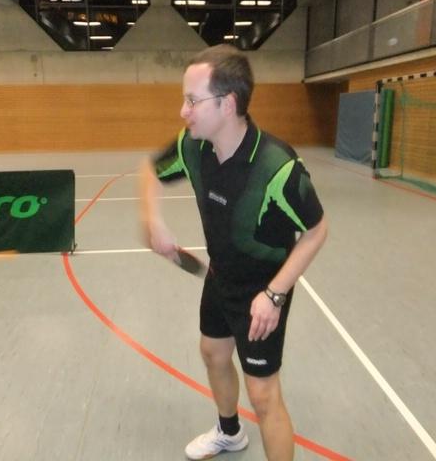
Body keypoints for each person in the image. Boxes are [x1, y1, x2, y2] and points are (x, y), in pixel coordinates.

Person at [140, 44, 328, 460]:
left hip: (264, 289)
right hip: (220, 275)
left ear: (227, 104)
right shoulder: (193, 147)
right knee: (213, 353)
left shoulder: (277, 166)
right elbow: (151, 170)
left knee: (263, 394)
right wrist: (153, 221)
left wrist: (275, 295)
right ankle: (229, 432)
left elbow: (317, 230)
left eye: (192, 100)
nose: (183, 111)